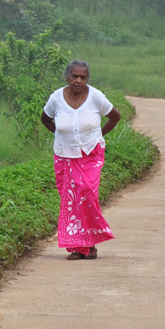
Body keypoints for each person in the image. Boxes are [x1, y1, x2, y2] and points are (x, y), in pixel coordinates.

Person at [40, 59, 121, 260]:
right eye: (75, 76)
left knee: (86, 193)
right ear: (67, 77)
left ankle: (91, 240)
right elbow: (45, 118)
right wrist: (60, 135)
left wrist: (98, 136)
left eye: (83, 77)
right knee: (70, 200)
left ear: (87, 79)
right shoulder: (56, 98)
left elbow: (115, 116)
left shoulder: (95, 97)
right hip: (64, 155)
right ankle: (81, 247)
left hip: (90, 153)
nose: (79, 80)